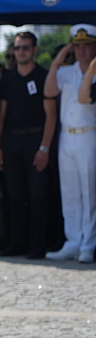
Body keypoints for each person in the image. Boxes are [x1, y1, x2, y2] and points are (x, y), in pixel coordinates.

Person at [0, 31, 55, 258]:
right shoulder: (7, 79)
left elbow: (51, 115)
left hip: (35, 140)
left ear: (35, 50)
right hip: (11, 141)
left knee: (37, 195)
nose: (21, 52)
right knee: (14, 195)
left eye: (25, 48)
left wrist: (44, 148)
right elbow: (1, 114)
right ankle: (16, 243)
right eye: (17, 48)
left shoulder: (43, 76)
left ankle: (37, 245)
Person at [44, 24, 96, 262]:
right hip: (67, 136)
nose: (81, 51)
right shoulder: (65, 71)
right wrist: (58, 61)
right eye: (77, 46)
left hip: (88, 134)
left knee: (89, 192)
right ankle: (72, 241)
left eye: (86, 46)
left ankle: (88, 244)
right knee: (70, 193)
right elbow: (49, 91)